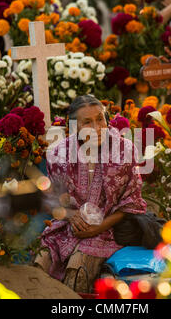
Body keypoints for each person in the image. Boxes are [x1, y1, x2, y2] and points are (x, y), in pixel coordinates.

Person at [33, 95, 147, 293]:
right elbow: (52, 199)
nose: (97, 127)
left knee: (77, 269)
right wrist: (71, 216)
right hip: (67, 227)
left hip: (109, 229)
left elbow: (132, 202)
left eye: (100, 119)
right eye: (87, 122)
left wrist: (98, 227)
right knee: (38, 268)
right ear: (75, 127)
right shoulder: (59, 153)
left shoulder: (124, 150)